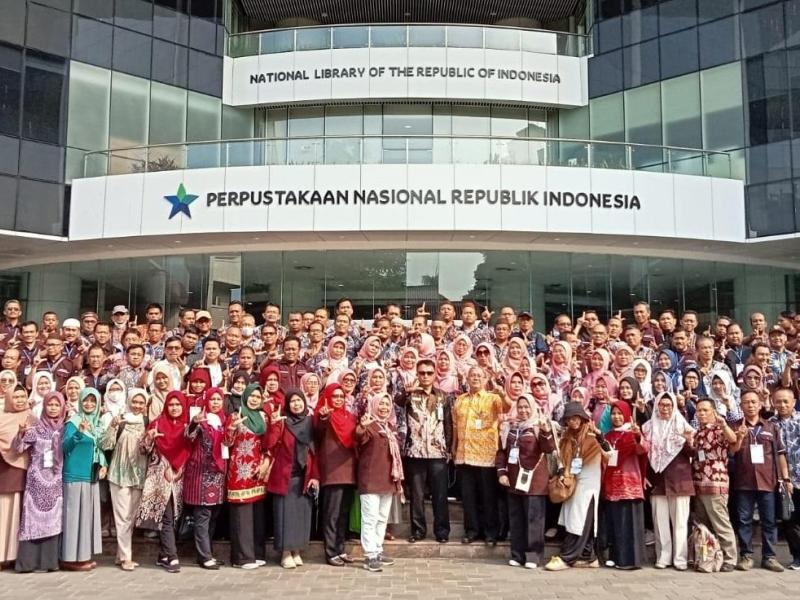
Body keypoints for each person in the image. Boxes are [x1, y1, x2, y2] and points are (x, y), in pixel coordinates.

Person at [732, 390, 791, 572]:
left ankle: (770, 557)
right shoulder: (734, 426)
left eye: (753, 402)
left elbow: (780, 455)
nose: (750, 405)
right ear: (741, 406)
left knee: (769, 520)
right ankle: (746, 556)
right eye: (746, 402)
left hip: (768, 481)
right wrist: (740, 436)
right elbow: (731, 452)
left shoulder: (771, 427)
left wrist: (785, 478)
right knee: (744, 520)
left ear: (760, 405)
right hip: (743, 482)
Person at [452, 366, 511, 545]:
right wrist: (454, 446)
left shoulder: (493, 398)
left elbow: (507, 407)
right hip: (465, 453)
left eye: (479, 375)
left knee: (488, 497)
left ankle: (490, 533)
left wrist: (501, 392)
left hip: (486, 455)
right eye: (472, 375)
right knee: (468, 497)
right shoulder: (460, 400)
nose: (475, 378)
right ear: (467, 379)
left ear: (485, 379)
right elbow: (455, 426)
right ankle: (471, 531)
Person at [545, 402, 605, 571]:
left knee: (580, 522)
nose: (573, 422)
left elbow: (606, 455)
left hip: (587, 487)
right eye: (569, 419)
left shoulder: (592, 439)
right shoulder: (566, 439)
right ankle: (588, 556)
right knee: (573, 520)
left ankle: (567, 558)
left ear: (582, 418)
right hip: (572, 484)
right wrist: (564, 473)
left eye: (576, 418)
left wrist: (569, 473)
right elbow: (562, 460)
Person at [398, 358, 452, 544]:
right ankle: (418, 530)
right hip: (416, 452)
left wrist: (450, 448)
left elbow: (448, 423)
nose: (426, 376)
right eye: (422, 373)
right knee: (417, 494)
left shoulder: (443, 396)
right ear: (417, 374)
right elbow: (397, 402)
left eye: (429, 373)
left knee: (440, 494)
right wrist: (407, 391)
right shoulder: (410, 395)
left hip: (438, 452)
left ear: (435, 373)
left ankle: (442, 531)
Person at [496, 394, 554, 569]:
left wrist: (545, 432)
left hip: (534, 481)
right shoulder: (510, 427)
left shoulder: (538, 426)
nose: (523, 410)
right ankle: (517, 554)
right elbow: (501, 452)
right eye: (520, 407)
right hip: (514, 480)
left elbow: (548, 448)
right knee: (516, 519)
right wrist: (502, 473)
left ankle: (533, 556)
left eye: (526, 407)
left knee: (534, 520)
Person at [136, 390, 192, 574]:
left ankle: (163, 555)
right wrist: (149, 437)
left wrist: (178, 470)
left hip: (178, 477)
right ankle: (172, 556)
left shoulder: (187, 425)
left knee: (174, 517)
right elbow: (143, 450)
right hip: (159, 477)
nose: (174, 408)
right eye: (171, 404)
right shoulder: (157, 423)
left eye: (178, 405)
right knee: (167, 517)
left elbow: (190, 448)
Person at [13, 391, 66, 572]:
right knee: (32, 521)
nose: (53, 408)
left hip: (55, 483)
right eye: (50, 405)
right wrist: (20, 434)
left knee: (53, 521)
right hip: (36, 482)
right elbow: (19, 448)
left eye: (56, 405)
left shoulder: (65, 428)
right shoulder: (36, 429)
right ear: (44, 406)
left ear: (62, 407)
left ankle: (48, 563)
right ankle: (28, 563)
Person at [266, 390, 319, 569]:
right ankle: (285, 552)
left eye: (299, 400)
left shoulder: (310, 423)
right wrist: (273, 425)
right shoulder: (283, 422)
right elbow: (269, 444)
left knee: (302, 516)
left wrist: (315, 476)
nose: (296, 404)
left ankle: (297, 550)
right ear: (287, 405)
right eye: (293, 401)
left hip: (304, 476)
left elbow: (314, 451)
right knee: (285, 515)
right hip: (285, 475)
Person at [643, 391, 695, 570]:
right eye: (662, 405)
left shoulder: (683, 426)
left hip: (679, 481)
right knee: (660, 522)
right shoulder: (648, 428)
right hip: (657, 481)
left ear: (674, 407)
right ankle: (663, 557)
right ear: (656, 406)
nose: (665, 409)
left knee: (680, 522)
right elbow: (644, 455)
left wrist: (689, 441)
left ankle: (680, 559)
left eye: (668, 405)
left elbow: (693, 454)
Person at [99, 388, 148, 571]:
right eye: (134, 402)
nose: (137, 405)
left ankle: (120, 555)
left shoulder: (146, 422)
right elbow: (105, 444)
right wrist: (112, 426)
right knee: (122, 517)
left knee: (130, 516)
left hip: (138, 475)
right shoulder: (121, 421)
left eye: (141, 403)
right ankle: (127, 557)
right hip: (119, 475)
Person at [690, 397, 740, 572]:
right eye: (699, 411)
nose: (702, 413)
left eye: (705, 410)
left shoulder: (720, 429)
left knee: (721, 523)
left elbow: (733, 441)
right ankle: (708, 557)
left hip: (716, 485)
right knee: (703, 526)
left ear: (713, 411)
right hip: (699, 484)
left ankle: (731, 558)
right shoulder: (698, 432)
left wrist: (724, 425)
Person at [356, 392, 403, 573]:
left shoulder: (390, 427)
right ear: (374, 406)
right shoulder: (369, 424)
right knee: (370, 518)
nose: (384, 407)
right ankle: (370, 554)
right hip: (370, 479)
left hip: (387, 479)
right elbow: (358, 437)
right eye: (380, 404)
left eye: (387, 404)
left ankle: (378, 548)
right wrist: (362, 426)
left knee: (382, 518)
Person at [61, 387, 106, 571]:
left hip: (90, 476)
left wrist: (103, 464)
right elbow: (65, 447)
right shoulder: (73, 421)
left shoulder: (97, 424)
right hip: (74, 474)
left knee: (84, 518)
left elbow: (98, 449)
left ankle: (82, 556)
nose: (89, 404)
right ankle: (69, 558)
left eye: (93, 401)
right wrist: (78, 433)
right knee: (73, 518)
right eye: (86, 400)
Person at [225, 383, 269, 569]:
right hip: (239, 471)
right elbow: (226, 443)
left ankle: (256, 553)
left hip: (257, 471)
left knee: (257, 516)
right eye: (251, 396)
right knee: (241, 516)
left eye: (258, 398)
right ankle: (241, 557)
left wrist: (266, 463)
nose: (254, 400)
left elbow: (269, 443)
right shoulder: (236, 415)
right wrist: (232, 429)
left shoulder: (263, 416)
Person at [184, 387, 228, 570]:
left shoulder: (224, 421)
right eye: (212, 399)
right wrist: (194, 423)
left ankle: (206, 553)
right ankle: (204, 555)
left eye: (219, 399)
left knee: (213, 516)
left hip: (218, 475)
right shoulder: (201, 420)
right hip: (201, 474)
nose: (216, 403)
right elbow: (188, 435)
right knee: (203, 515)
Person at [314, 383, 358, 566]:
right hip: (332, 471)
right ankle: (330, 551)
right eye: (335, 396)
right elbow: (318, 431)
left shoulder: (350, 416)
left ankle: (340, 549)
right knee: (332, 514)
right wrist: (324, 417)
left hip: (349, 470)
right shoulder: (323, 415)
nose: (339, 399)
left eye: (341, 396)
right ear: (328, 398)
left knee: (343, 513)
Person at [601, 401, 647, 570]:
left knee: (629, 524)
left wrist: (637, 435)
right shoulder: (608, 436)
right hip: (612, 484)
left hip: (629, 485)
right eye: (613, 413)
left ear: (627, 414)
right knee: (615, 523)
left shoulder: (631, 434)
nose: (617, 417)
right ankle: (615, 556)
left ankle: (630, 560)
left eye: (620, 413)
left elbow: (643, 450)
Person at [0, 384, 32, 568]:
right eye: (16, 397)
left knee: (19, 514)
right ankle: (2, 555)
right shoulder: (2, 417)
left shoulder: (33, 418)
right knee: (4, 513)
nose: (20, 400)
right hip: (5, 471)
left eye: (22, 396)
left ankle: (15, 555)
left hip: (25, 471)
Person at [769, 387, 800, 570]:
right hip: (782, 480)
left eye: (785, 401)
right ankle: (797, 555)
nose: (782, 405)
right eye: (778, 401)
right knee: (789, 519)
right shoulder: (771, 423)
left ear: (793, 402)